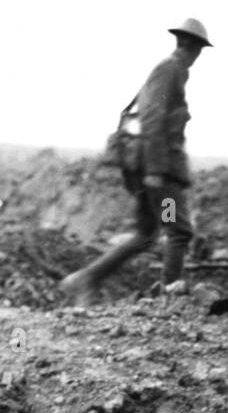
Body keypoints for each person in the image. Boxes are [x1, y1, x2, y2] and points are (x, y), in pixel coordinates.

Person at [59, 18, 211, 304]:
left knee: (145, 233)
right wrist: (155, 170)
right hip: (160, 176)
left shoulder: (169, 70)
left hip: (150, 172)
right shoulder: (171, 70)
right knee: (177, 230)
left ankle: (85, 279)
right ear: (192, 47)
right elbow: (152, 117)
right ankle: (170, 301)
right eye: (198, 50)